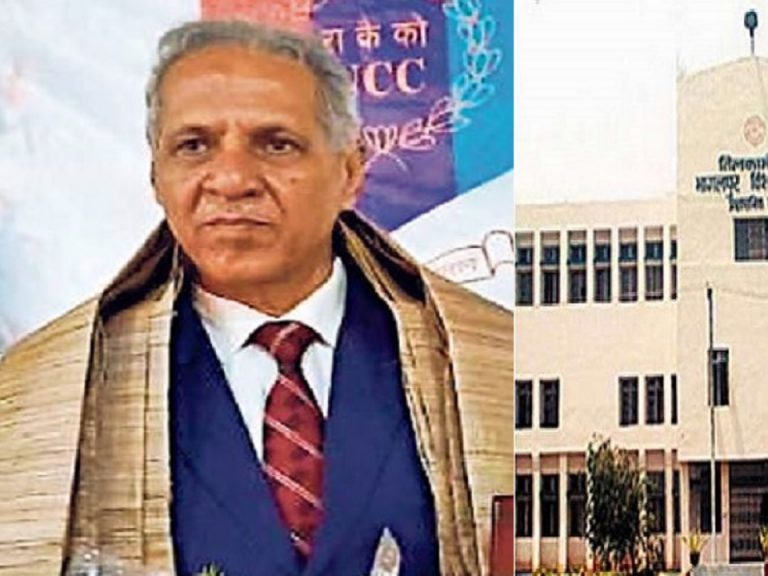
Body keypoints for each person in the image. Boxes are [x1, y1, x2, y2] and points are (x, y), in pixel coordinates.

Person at [0, 20, 511, 576]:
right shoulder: (41, 392)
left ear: (350, 171)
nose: (232, 179)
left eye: (276, 144)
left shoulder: (486, 362)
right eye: (194, 146)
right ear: (156, 176)